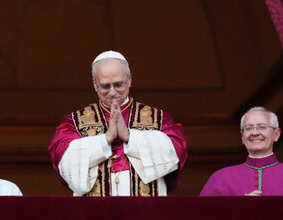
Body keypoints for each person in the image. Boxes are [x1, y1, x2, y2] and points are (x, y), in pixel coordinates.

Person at [48, 50, 187, 196]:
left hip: (145, 211)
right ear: (95, 84)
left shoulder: (158, 119)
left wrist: (129, 136)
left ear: (129, 79)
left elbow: (176, 150)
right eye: (105, 86)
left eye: (118, 85)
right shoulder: (74, 122)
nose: (113, 92)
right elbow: (62, 157)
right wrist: (105, 139)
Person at [200, 106, 283, 196]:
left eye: (262, 127)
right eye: (248, 128)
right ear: (242, 136)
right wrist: (237, 208)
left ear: (276, 134)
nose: (255, 133)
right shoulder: (221, 178)